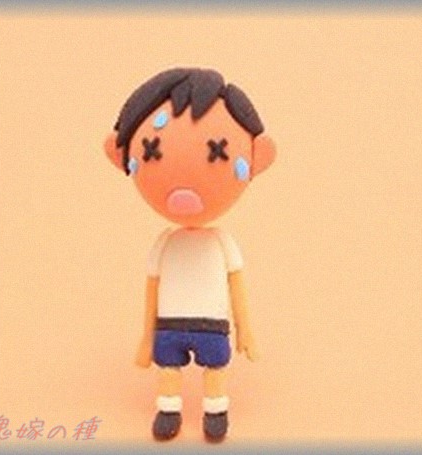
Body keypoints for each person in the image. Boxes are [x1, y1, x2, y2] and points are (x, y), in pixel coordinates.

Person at [103, 68, 276, 442]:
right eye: (153, 151)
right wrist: (145, 338)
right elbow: (151, 292)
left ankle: (216, 411)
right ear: (122, 155)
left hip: (212, 324)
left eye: (216, 151)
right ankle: (169, 409)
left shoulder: (222, 243)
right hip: (170, 324)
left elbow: (237, 287)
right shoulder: (165, 243)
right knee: (168, 369)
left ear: (257, 159)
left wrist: (246, 329)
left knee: (215, 369)